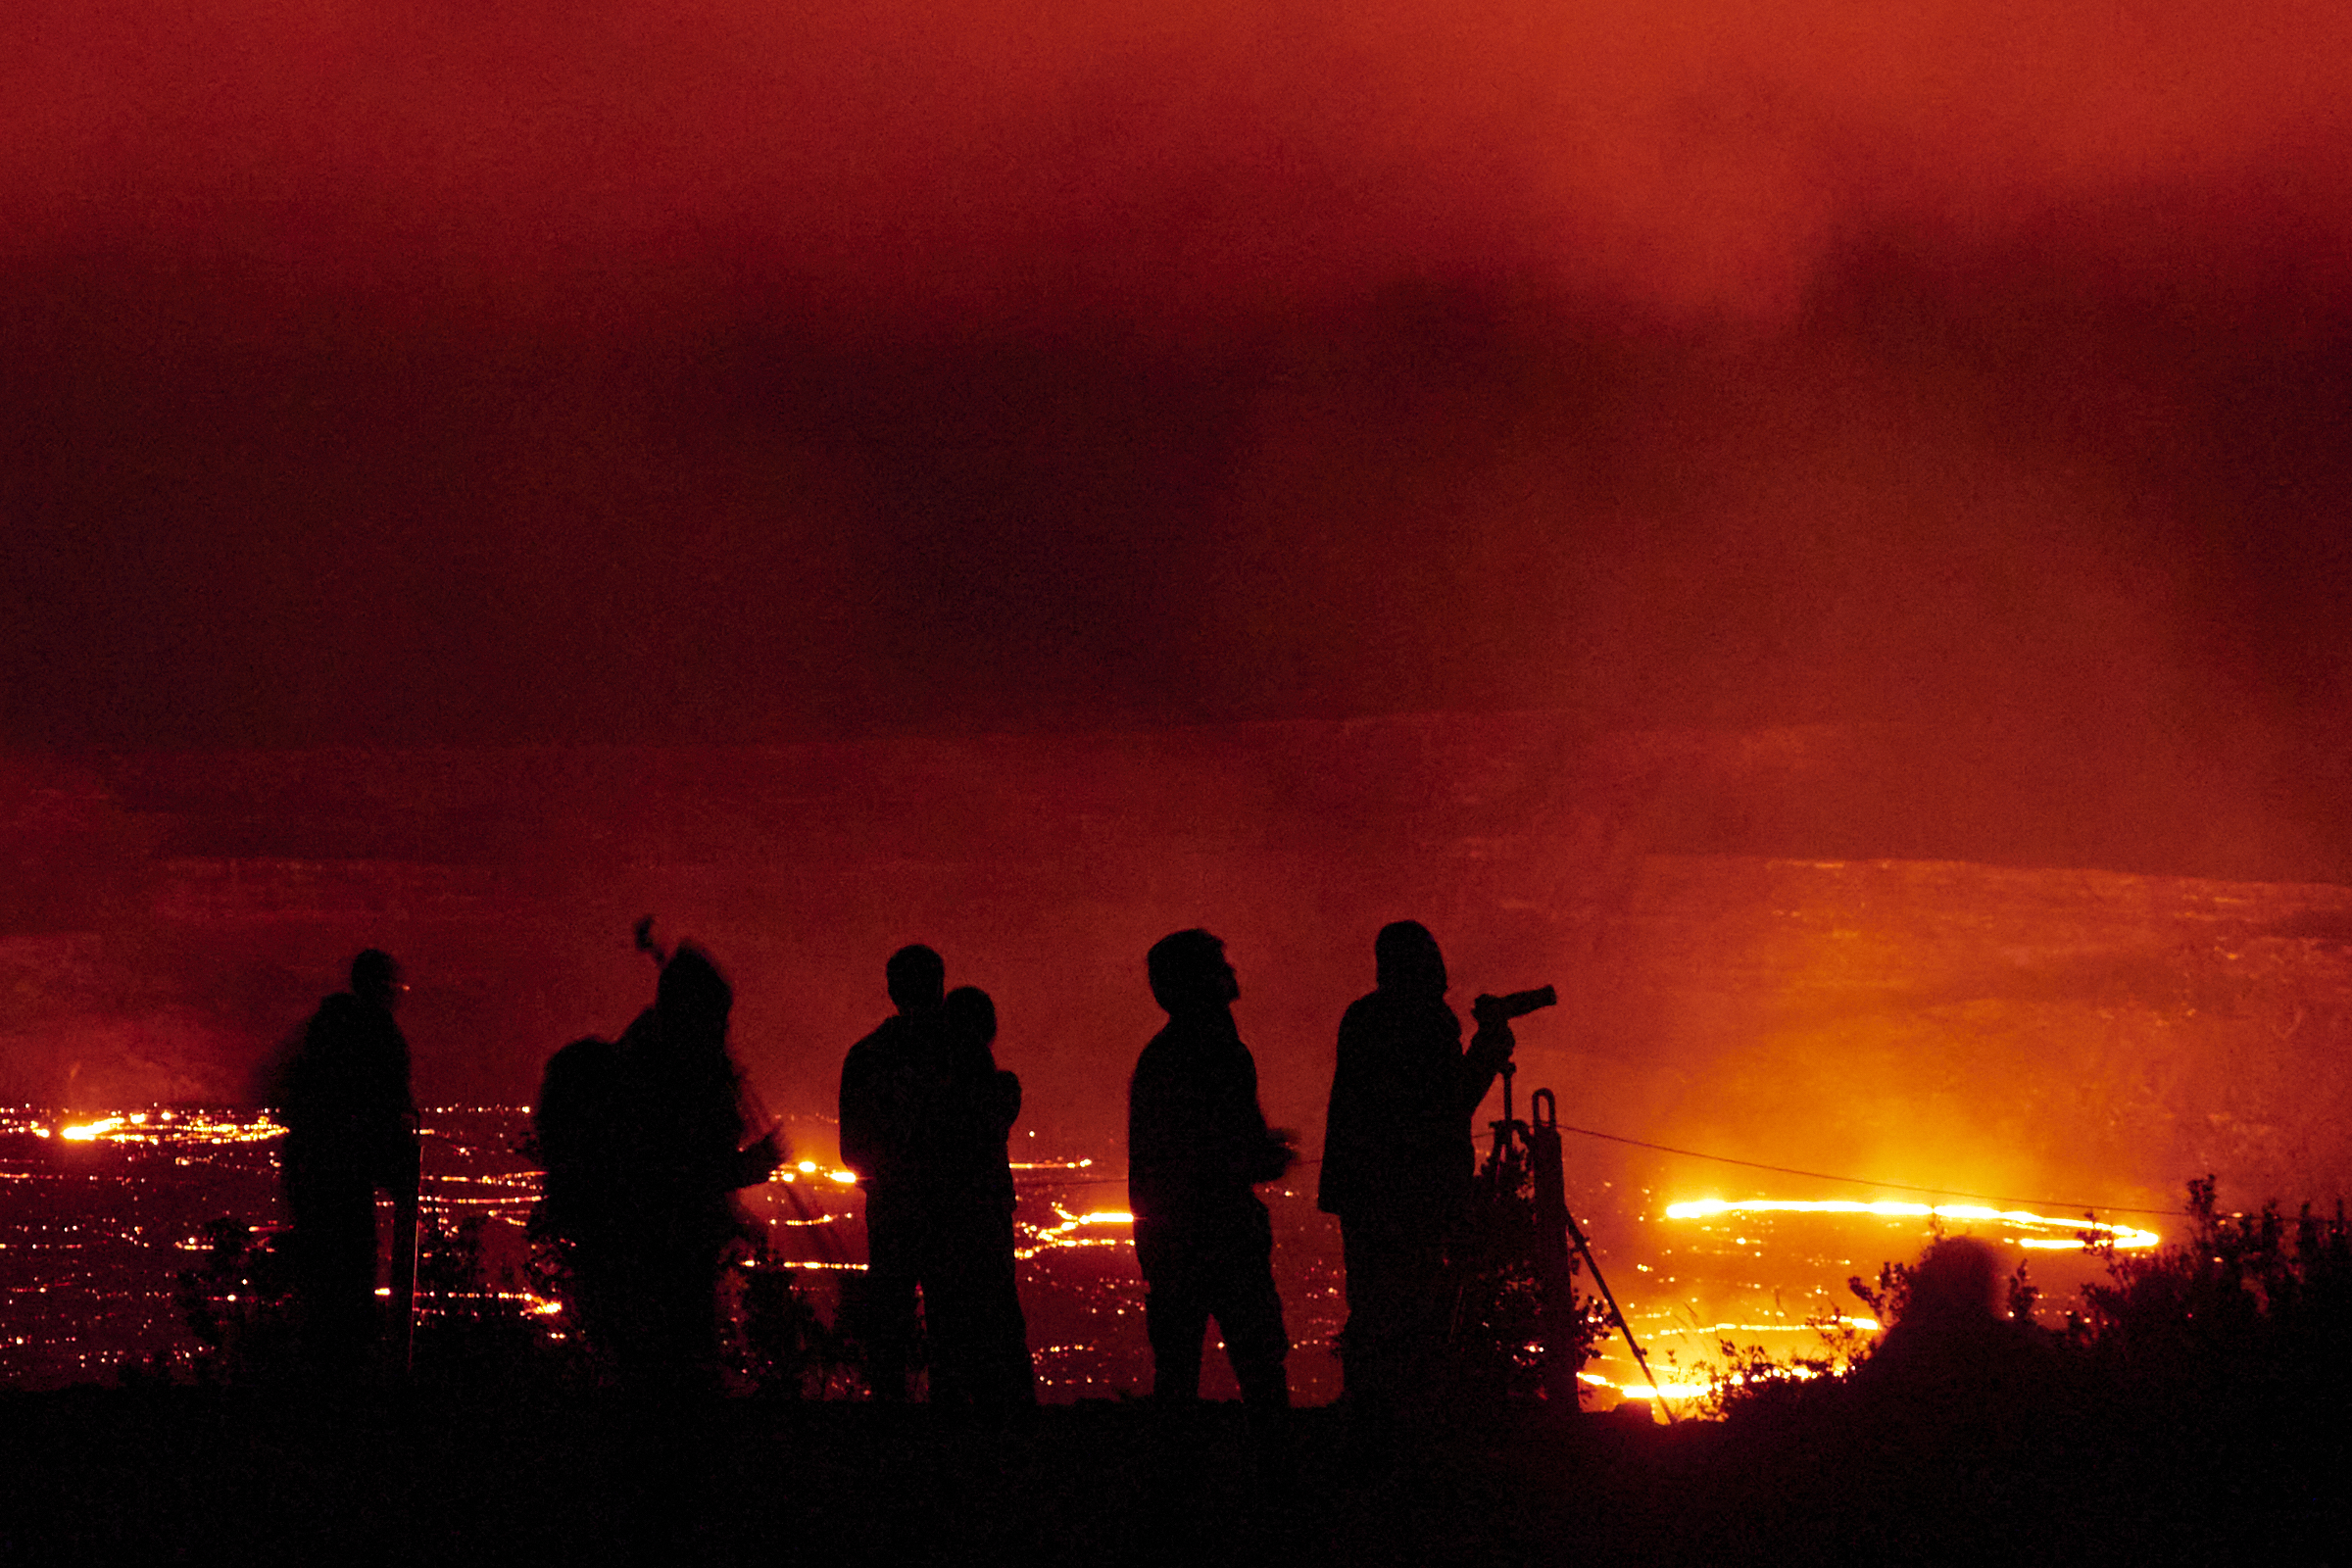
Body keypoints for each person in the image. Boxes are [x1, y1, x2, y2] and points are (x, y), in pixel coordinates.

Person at [1318, 920, 1515, 1426]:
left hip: (1365, 1191)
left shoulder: (1362, 1017)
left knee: (1372, 1306)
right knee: (1420, 1307)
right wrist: (1489, 1046)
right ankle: (1416, 1425)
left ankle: (1368, 1416)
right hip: (1416, 1193)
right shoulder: (1425, 1021)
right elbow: (1451, 1104)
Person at [1126, 929, 1293, 1424]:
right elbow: (1223, 1148)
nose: (1232, 973)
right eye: (1221, 965)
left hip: (1170, 1236)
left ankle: (1178, 1480)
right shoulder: (1219, 1051)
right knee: (1259, 1363)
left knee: (1178, 1368)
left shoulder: (1163, 1055)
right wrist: (1264, 1158)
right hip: (1222, 1231)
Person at [605, 943, 780, 1393]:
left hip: (656, 1246)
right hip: (665, 1248)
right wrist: (747, 1168)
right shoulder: (667, 1069)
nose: (725, 1027)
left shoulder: (649, 1054)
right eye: (718, 1015)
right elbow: (675, 1173)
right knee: (676, 1371)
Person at [275, 948, 420, 1373]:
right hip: (344, 1181)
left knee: (323, 1289)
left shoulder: (325, 1033)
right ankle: (349, 1387)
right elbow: (383, 1109)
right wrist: (397, 1168)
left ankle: (323, 1377)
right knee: (350, 1281)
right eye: (395, 987)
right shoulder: (375, 1036)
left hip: (314, 1178)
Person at [838, 944, 949, 1400]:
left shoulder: (866, 1056)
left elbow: (853, 1152)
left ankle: (890, 1427)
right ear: (940, 987)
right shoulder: (957, 1054)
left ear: (892, 990)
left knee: (890, 1324)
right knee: (953, 1324)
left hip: (890, 1212)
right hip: (950, 1213)